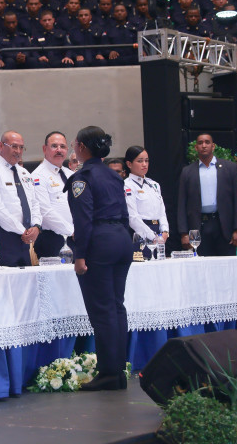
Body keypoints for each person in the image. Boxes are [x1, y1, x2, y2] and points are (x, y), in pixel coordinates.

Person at [67, 126, 132, 391]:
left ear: (82, 147)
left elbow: (83, 220)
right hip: (121, 239)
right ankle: (118, 371)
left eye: (75, 143)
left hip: (99, 242)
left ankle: (108, 373)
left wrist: (79, 254)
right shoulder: (113, 175)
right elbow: (125, 213)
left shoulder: (82, 178)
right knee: (116, 307)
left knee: (103, 311)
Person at [177, 133, 237, 256]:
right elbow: (182, 203)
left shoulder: (230, 168)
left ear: (213, 146)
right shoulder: (187, 172)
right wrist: (184, 233)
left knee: (226, 265)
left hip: (224, 227)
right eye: (200, 143)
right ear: (196, 147)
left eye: (207, 142)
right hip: (199, 227)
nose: (204, 145)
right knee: (202, 265)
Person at [0, 130, 42, 267]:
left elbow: (34, 203)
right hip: (4, 238)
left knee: (27, 279)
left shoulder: (24, 173)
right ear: (1, 146)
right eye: (14, 146)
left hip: (25, 240)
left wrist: (36, 226)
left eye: (21, 147)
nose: (18, 151)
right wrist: (22, 230)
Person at [31, 131, 74, 258]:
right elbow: (44, 211)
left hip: (76, 237)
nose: (59, 150)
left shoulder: (71, 175)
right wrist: (72, 231)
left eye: (63, 146)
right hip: (53, 239)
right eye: (54, 146)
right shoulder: (38, 176)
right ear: (45, 149)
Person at [123, 146, 169, 257]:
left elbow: (162, 212)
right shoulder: (127, 185)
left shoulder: (154, 184)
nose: (144, 164)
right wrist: (153, 237)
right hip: (140, 233)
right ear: (129, 164)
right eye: (140, 161)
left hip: (158, 233)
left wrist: (165, 232)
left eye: (146, 161)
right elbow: (133, 217)